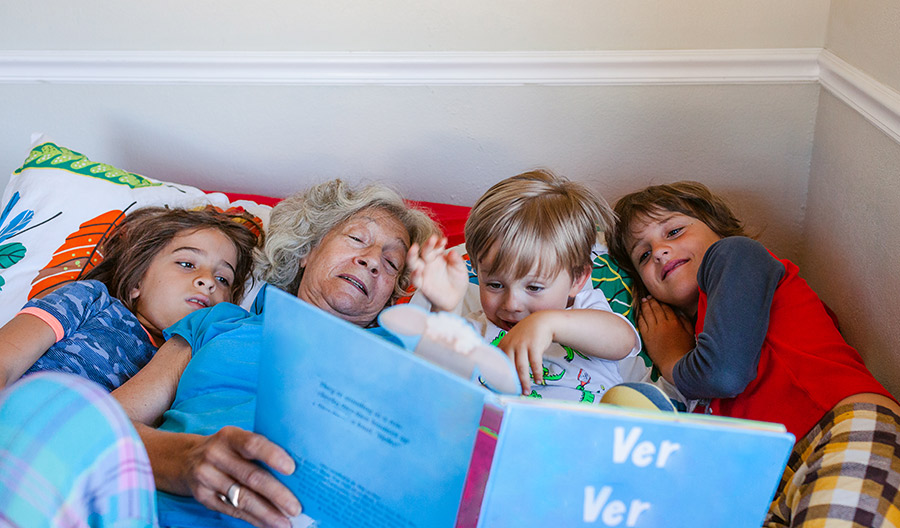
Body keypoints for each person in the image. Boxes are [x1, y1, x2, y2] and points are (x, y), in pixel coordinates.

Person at [109, 178, 438, 528]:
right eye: (358, 239)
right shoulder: (219, 322)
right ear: (305, 252)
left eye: (391, 263)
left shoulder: (405, 360)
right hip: (156, 512)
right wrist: (186, 461)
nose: (373, 261)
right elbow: (102, 426)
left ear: (389, 297)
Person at [605, 180, 900, 527]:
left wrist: (671, 357)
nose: (659, 251)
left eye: (674, 230)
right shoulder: (701, 332)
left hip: (839, 426)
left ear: (718, 231)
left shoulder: (734, 255)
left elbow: (724, 374)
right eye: (643, 255)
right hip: (773, 478)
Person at [409, 169, 640, 401]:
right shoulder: (474, 330)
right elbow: (432, 377)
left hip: (588, 431)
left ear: (577, 279)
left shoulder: (587, 310)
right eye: (495, 285)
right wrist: (444, 311)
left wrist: (548, 323)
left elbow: (622, 341)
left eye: (534, 287)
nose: (512, 304)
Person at [0, 206, 259, 391]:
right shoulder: (90, 299)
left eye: (223, 278)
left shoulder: (198, 361)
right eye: (187, 264)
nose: (208, 281)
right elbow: (5, 360)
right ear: (137, 282)